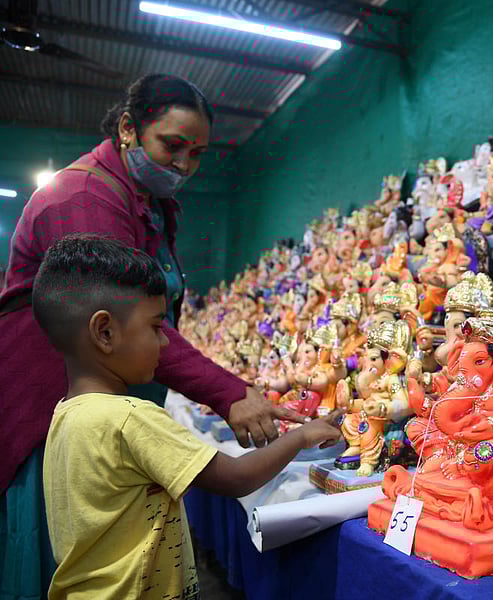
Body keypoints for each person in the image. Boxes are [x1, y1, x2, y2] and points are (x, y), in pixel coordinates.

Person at [0, 74, 292, 599]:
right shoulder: (84, 198)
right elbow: (130, 312)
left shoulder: (144, 200)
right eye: (172, 145)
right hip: (39, 406)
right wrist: (231, 394)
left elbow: (143, 321)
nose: (184, 164)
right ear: (129, 129)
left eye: (197, 152)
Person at [34, 234, 344, 599]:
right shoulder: (130, 419)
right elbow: (238, 478)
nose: (165, 343)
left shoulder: (66, 414)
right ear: (105, 333)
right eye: (155, 327)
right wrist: (303, 437)